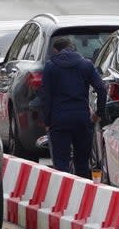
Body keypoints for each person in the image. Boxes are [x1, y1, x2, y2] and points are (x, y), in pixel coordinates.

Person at [40, 36, 107, 178]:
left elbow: (46, 97)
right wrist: (98, 113)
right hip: (81, 119)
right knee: (82, 162)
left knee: (61, 163)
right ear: (72, 47)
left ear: (56, 50)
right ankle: (82, 194)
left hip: (58, 120)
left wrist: (46, 121)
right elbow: (101, 89)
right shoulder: (86, 65)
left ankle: (63, 194)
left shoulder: (50, 67)